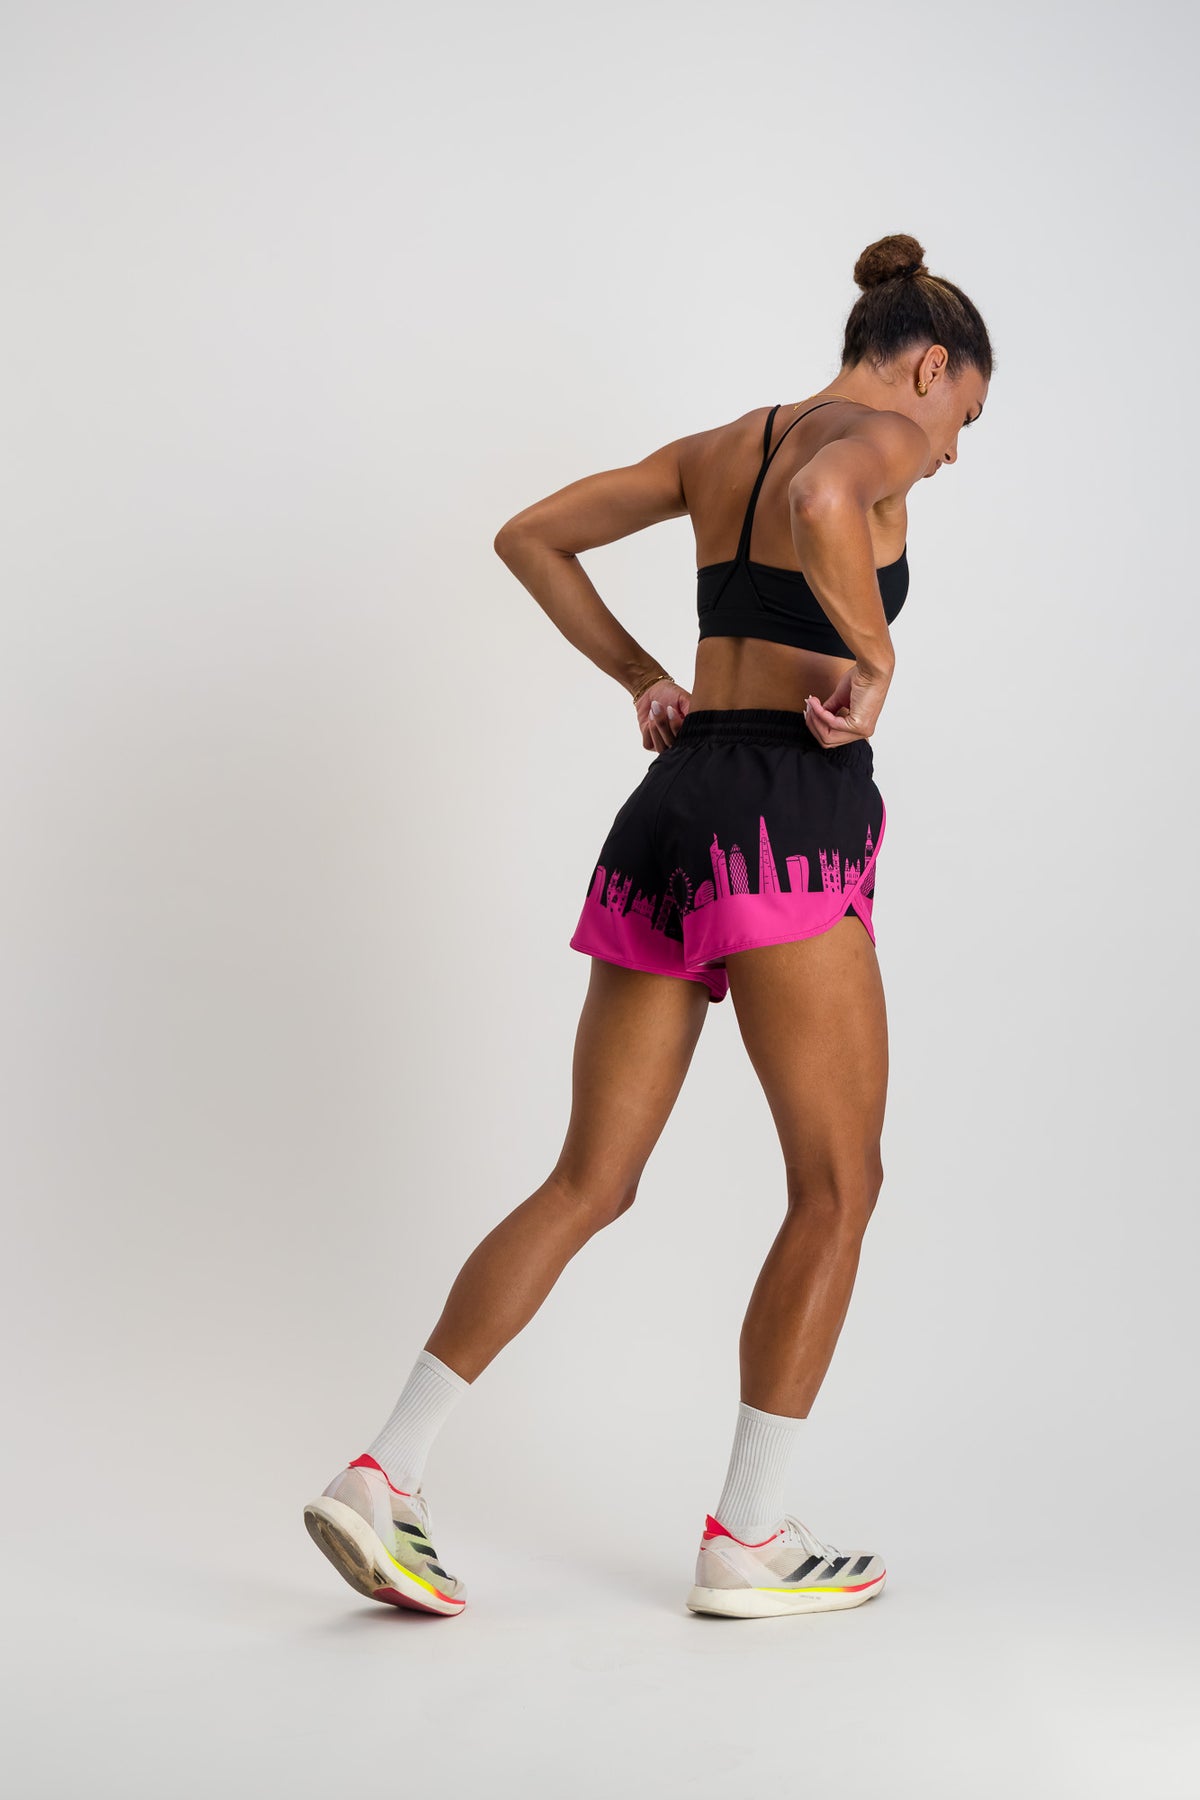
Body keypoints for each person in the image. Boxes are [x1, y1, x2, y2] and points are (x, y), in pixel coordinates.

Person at [303, 231, 993, 1619]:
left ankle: (386, 1473)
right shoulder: (872, 439)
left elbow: (531, 535)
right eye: (963, 419)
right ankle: (748, 1539)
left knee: (589, 1179)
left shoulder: (717, 447)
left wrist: (642, 677)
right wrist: (877, 656)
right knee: (838, 1186)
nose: (951, 455)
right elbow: (825, 493)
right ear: (927, 368)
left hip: (672, 807)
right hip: (782, 820)